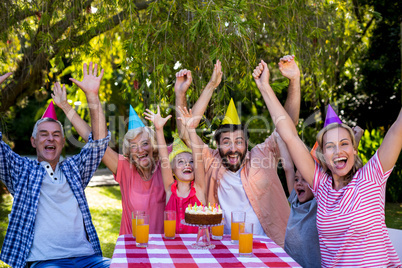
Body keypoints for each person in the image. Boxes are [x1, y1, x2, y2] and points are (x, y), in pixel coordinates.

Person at [252, 59, 402, 267]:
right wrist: (265, 87)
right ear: (323, 155)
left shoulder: (372, 177)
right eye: (330, 146)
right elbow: (289, 135)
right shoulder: (321, 185)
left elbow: (397, 129)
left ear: (353, 148)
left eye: (344, 143)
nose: (338, 151)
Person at [175, 56, 301, 247]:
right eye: (226, 142)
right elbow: (185, 130)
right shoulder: (210, 160)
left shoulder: (263, 154)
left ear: (247, 143)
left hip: (269, 246)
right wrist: (207, 86)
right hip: (223, 248)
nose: (233, 148)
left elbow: (288, 126)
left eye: (239, 141)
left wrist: (294, 80)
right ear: (217, 145)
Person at [0, 63, 111, 268]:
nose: (50, 139)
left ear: (62, 142)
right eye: (44, 134)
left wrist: (93, 97)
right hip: (45, 262)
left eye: (56, 135)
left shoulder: (74, 170)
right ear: (34, 141)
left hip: (88, 258)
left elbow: (99, 144)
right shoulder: (22, 170)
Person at [53, 81, 167, 236]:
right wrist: (65, 106)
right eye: (133, 146)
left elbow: (187, 140)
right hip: (132, 248)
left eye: (144, 143)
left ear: (153, 145)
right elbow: (92, 139)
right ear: (129, 152)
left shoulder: (165, 166)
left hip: (162, 248)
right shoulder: (126, 168)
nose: (140, 150)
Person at [276, 125, 364, 268]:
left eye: (305, 180)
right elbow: (288, 168)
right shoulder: (295, 199)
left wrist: (355, 140)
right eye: (297, 179)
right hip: (290, 264)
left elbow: (341, 171)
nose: (298, 183)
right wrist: (279, 138)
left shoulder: (321, 202)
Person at [144, 106, 206, 233]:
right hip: (172, 248)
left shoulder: (199, 189)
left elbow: (198, 156)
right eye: (181, 162)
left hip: (198, 250)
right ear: (171, 170)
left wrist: (191, 130)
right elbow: (164, 157)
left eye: (191, 161)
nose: (187, 164)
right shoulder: (170, 190)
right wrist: (159, 129)